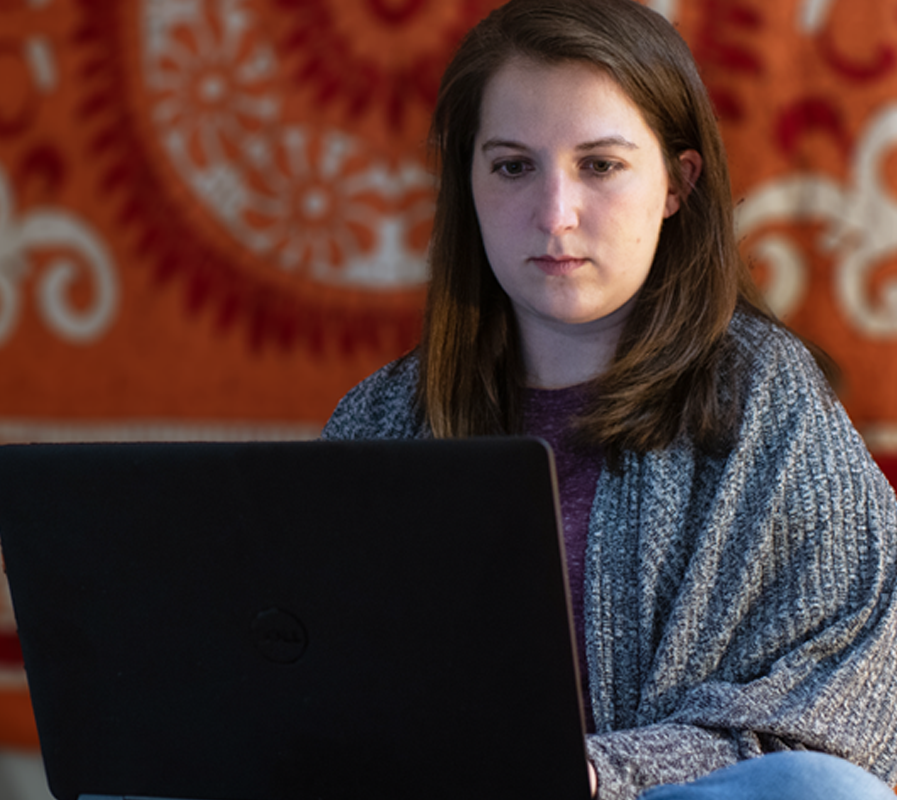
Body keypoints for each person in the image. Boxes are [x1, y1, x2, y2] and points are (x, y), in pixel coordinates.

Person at [320, 0, 897, 798]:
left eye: (600, 165)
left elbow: (850, 697)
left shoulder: (769, 404)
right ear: (469, 180)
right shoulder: (380, 421)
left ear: (677, 183)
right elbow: (301, 686)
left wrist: (596, 774)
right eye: (513, 165)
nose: (555, 216)